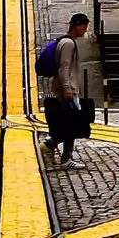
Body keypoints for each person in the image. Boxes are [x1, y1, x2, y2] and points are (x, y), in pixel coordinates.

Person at [43, 12, 90, 164]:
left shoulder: (64, 41)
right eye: (84, 26)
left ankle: (63, 154)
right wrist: (68, 89)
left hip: (66, 89)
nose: (85, 30)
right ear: (76, 25)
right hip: (67, 90)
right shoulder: (68, 44)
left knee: (70, 123)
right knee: (73, 123)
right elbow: (64, 68)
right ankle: (53, 147)